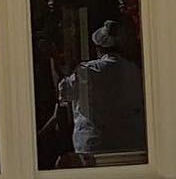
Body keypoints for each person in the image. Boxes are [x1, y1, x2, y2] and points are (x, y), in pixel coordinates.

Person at [57, 20, 145, 156]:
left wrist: (67, 71)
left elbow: (65, 92)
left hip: (93, 143)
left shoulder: (87, 70)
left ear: (98, 48)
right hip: (128, 142)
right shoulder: (134, 70)